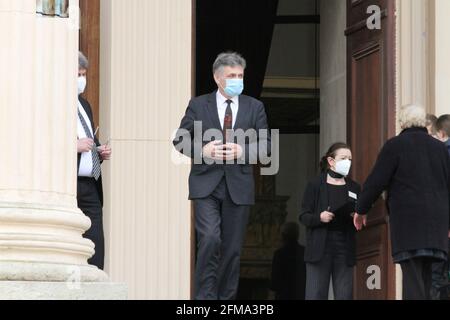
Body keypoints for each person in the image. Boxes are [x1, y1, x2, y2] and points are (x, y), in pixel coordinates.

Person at [173, 52, 271, 300]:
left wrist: (243, 150)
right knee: (209, 239)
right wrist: (202, 150)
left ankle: (226, 300)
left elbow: (267, 145)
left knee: (232, 250)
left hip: (238, 186)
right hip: (205, 184)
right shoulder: (198, 105)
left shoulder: (254, 107)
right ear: (218, 78)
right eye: (231, 76)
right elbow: (180, 139)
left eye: (240, 75)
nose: (237, 79)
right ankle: (204, 300)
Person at [354, 105, 450, 300]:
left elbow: (376, 182)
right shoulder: (440, 148)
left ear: (402, 123)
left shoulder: (395, 145)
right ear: (424, 122)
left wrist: (361, 209)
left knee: (413, 279)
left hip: (409, 223)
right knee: (428, 279)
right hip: (437, 225)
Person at [299, 143, 361, 300]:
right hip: (320, 245)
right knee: (316, 294)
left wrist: (357, 217)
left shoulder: (354, 187)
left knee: (344, 294)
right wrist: (319, 217)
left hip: (344, 245)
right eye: (343, 158)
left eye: (350, 159)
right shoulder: (315, 185)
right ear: (331, 161)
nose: (348, 162)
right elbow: (304, 216)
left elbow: (360, 216)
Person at [77, 51, 112, 270]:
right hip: (67, 186)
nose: (81, 79)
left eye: (83, 74)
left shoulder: (84, 104)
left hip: (91, 185)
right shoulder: (50, 103)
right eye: (77, 74)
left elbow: (90, 137)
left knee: (96, 242)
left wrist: (99, 151)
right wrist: (73, 146)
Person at [270, 222, 306, 300]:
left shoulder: (279, 254)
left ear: (283, 235)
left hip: (283, 295)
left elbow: (274, 282)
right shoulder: (304, 252)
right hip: (301, 295)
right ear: (297, 235)